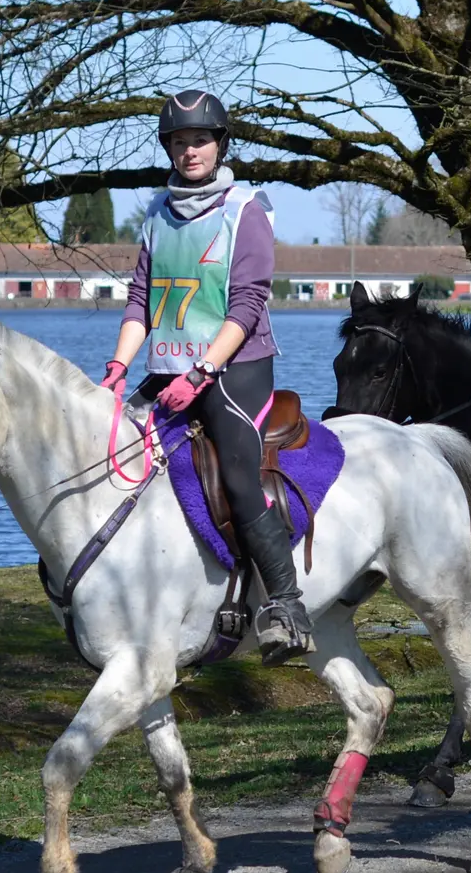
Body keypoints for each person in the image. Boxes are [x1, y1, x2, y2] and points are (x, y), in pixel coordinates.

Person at [101, 89, 314, 664]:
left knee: (239, 478)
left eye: (200, 140)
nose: (189, 150)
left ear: (220, 145)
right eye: (179, 141)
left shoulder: (246, 209)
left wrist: (200, 374)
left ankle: (286, 607)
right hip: (167, 368)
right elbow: (140, 301)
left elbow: (246, 306)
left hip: (235, 368)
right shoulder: (156, 212)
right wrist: (117, 370)